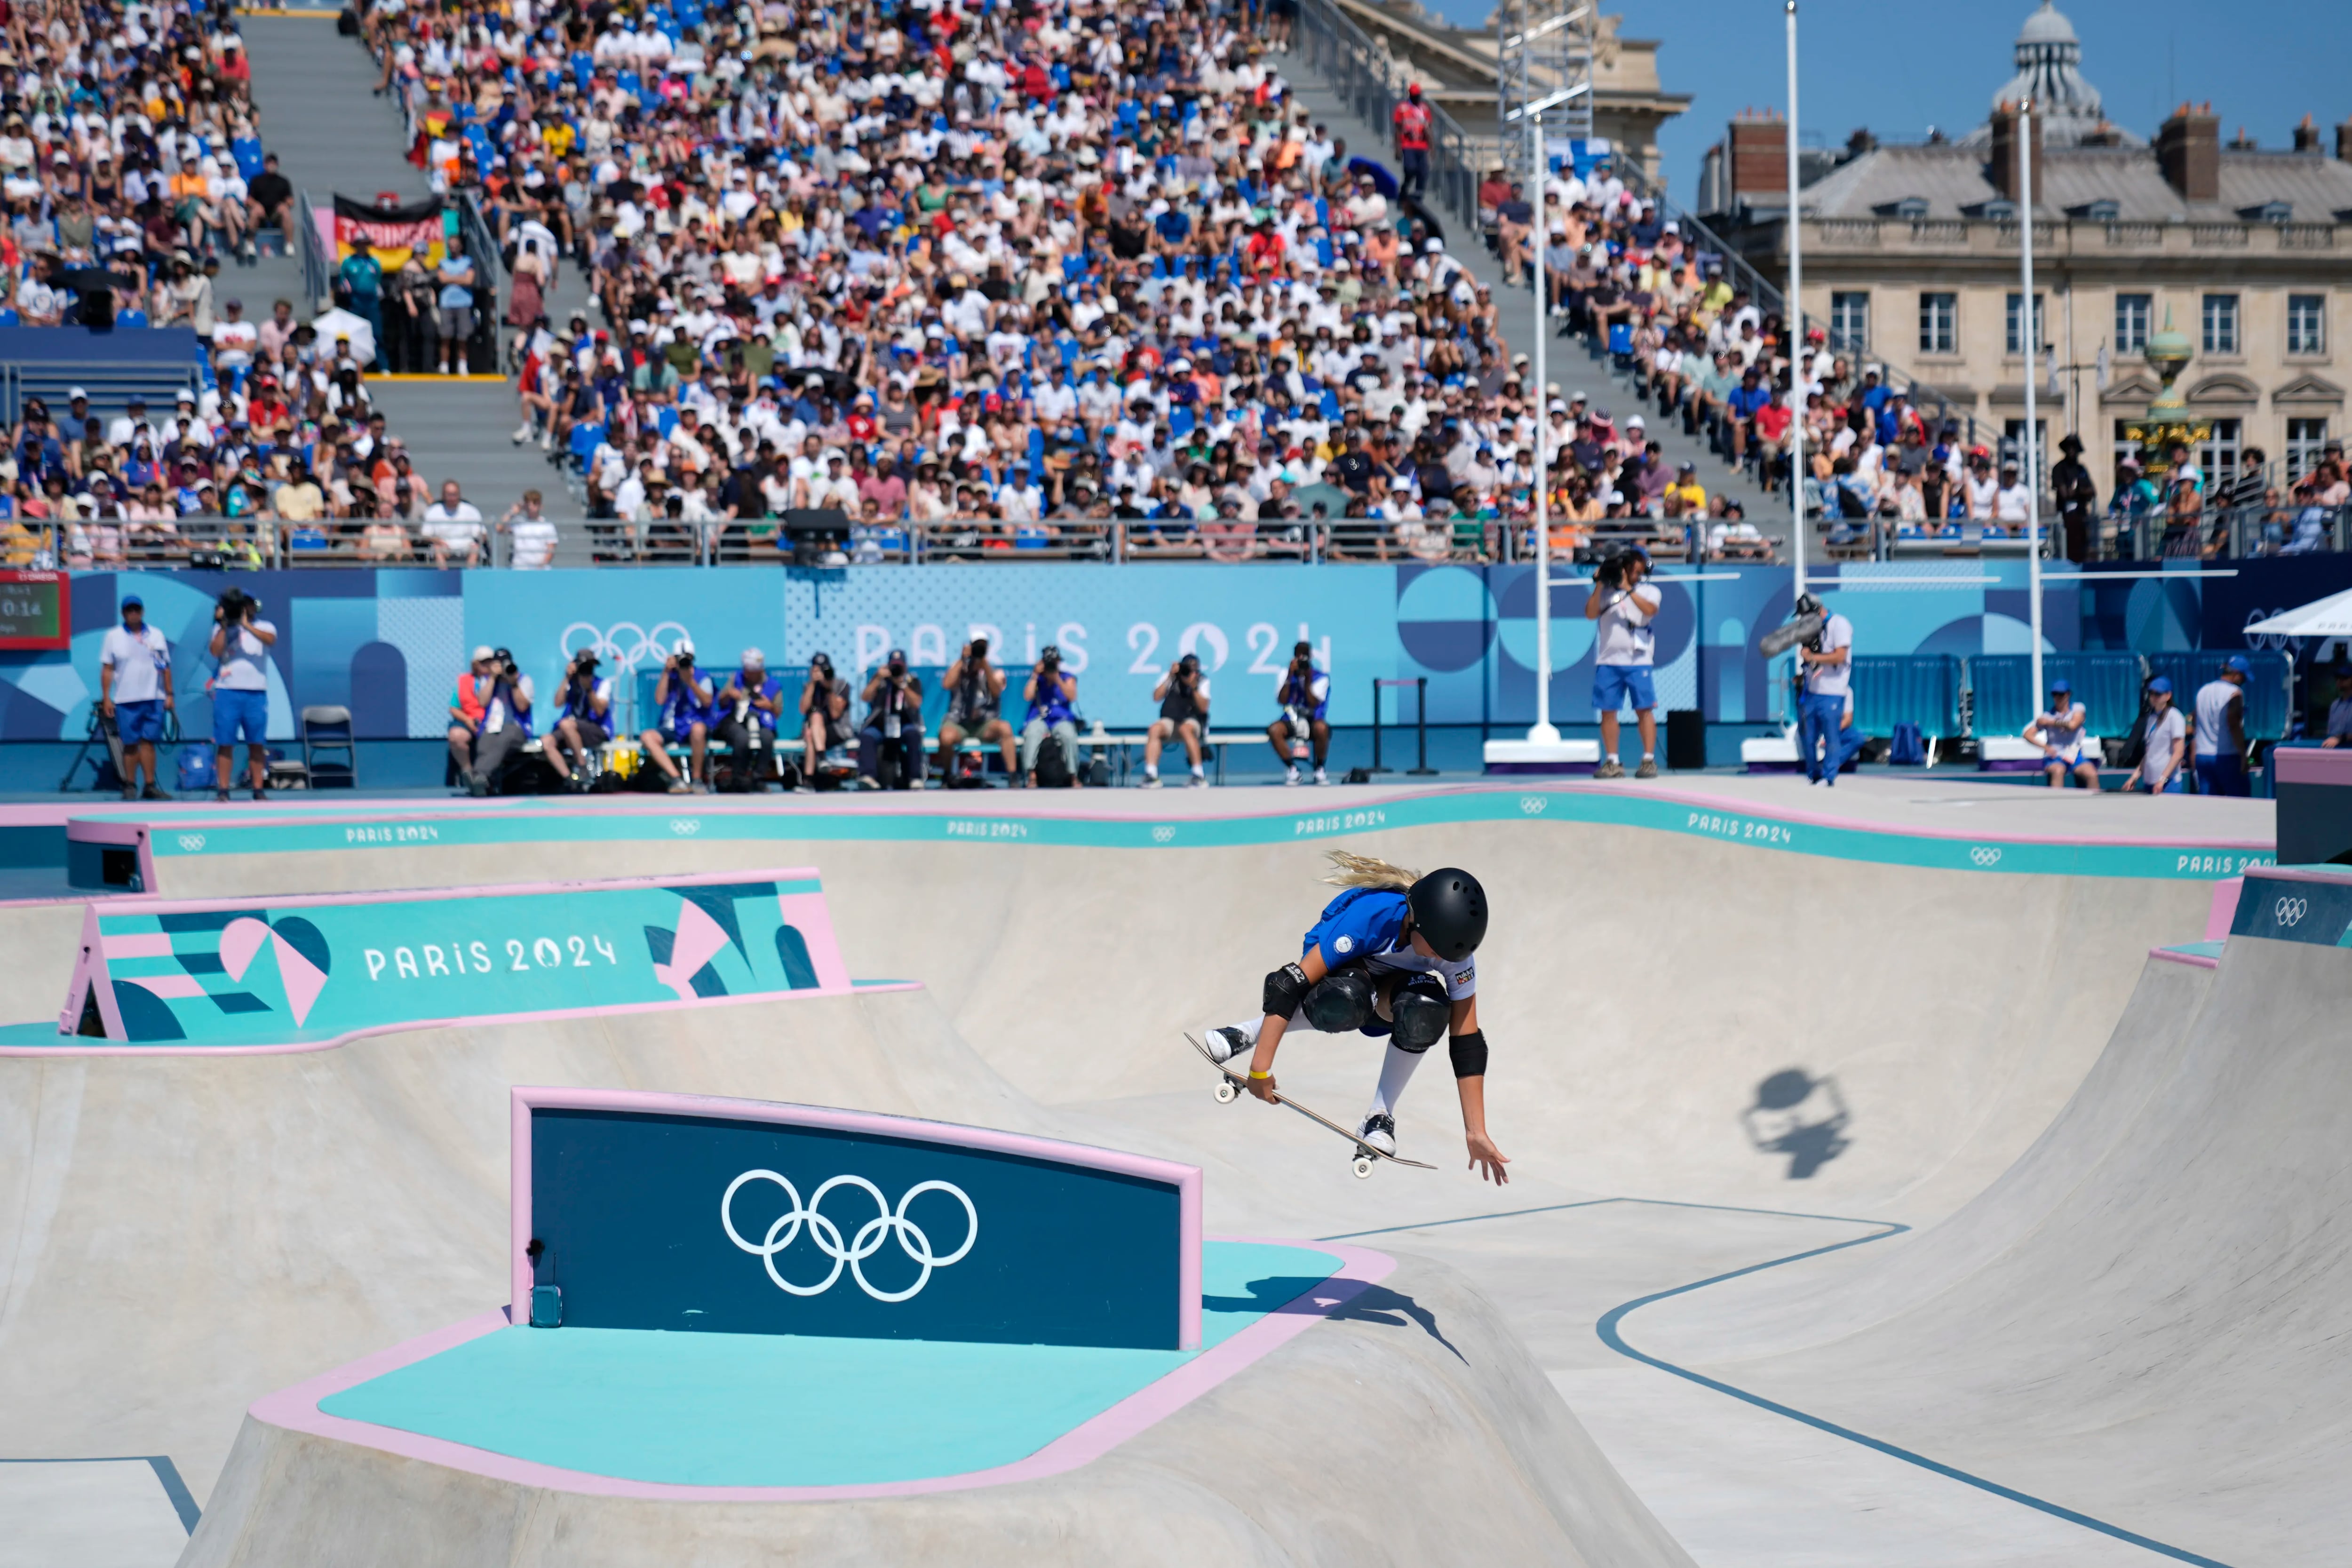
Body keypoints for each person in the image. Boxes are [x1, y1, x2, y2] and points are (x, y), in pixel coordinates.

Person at [1200, 852, 1507, 1180]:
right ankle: (1245, 1033)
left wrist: (1476, 1130)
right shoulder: (1371, 916)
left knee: (1426, 1010)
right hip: (1341, 978)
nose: (1440, 959)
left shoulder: (1452, 954)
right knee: (1347, 999)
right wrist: (1260, 1070)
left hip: (1390, 993)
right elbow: (1287, 985)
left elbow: (1467, 1042)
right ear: (1416, 921)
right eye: (1435, 950)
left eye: (1448, 956)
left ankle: (1380, 1115)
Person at [1585, 544, 1661, 779]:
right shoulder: (1607, 592)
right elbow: (1590, 613)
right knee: (1608, 711)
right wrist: (1600, 584)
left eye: (1639, 571)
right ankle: (1613, 760)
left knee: (1644, 710)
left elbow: (1650, 611)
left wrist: (1629, 589)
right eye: (1632, 570)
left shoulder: (1649, 591)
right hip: (1608, 660)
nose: (1636, 575)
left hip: (1638, 661)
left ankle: (1648, 760)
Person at [98, 594, 174, 800]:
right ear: (123, 613)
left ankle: (149, 786)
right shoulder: (113, 636)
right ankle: (130, 785)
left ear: (142, 612)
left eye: (137, 610)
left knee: (149, 742)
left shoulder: (156, 635)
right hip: (126, 699)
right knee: (130, 743)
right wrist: (107, 697)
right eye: (129, 610)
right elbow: (107, 669)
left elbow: (165, 667)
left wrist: (169, 694)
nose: (133, 614)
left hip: (153, 697)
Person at [207, 588, 278, 802]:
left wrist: (246, 625)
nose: (243, 608)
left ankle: (258, 789)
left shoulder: (265, 626)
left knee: (256, 743)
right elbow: (215, 651)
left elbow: (270, 640)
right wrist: (225, 625)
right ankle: (223, 790)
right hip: (228, 691)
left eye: (247, 604)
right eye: (239, 605)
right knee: (225, 742)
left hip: (256, 692)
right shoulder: (221, 629)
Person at [446, 644, 533, 796]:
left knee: (504, 738)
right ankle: (481, 780)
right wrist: (493, 678)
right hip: (493, 725)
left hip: (516, 727)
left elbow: (522, 706)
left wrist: (513, 683)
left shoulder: (523, 680)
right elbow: (483, 702)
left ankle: (480, 775)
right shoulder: (488, 680)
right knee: (485, 742)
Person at [1794, 591, 1857, 786]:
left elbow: (1840, 657)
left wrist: (1813, 657)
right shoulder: (1812, 630)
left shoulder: (1840, 624)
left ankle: (1829, 776)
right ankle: (1813, 774)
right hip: (1812, 690)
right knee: (1807, 736)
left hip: (1833, 692)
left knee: (1831, 737)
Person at [937, 638, 1018, 784]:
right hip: (959, 722)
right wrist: (963, 659)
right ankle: (947, 775)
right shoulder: (959, 667)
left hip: (984, 723)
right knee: (946, 737)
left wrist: (984, 666)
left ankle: (1013, 776)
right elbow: (947, 684)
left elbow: (996, 693)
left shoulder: (994, 671)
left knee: (1005, 728)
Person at [638, 641, 714, 794]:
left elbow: (707, 702)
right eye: (681, 659)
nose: (684, 663)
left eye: (688, 659)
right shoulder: (670, 676)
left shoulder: (702, 677)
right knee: (647, 737)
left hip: (693, 725)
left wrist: (690, 682)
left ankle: (697, 780)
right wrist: (666, 672)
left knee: (699, 730)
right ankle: (676, 779)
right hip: (672, 727)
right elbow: (659, 700)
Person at [713, 649, 786, 791]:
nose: (747, 674)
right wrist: (729, 694)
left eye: (751, 671)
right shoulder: (736, 678)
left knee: (767, 737)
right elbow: (721, 701)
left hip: (761, 722)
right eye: (746, 670)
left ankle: (758, 779)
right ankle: (739, 779)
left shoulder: (773, 686)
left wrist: (769, 706)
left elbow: (777, 713)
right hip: (735, 720)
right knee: (742, 738)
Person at [858, 648, 927, 789]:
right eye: (893, 666)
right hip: (881, 725)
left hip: (904, 724)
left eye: (899, 667)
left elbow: (916, 703)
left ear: (905, 667)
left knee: (913, 735)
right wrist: (877, 678)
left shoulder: (912, 681)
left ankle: (915, 778)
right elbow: (865, 697)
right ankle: (868, 776)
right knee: (867, 736)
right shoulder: (881, 681)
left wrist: (902, 685)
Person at [545, 649, 612, 790]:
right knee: (547, 742)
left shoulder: (602, 684)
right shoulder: (572, 683)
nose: (586, 671)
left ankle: (582, 767)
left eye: (589, 667)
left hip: (595, 729)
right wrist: (567, 678)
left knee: (566, 725)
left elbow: (600, 711)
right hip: (570, 728)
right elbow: (558, 703)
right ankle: (569, 779)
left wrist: (589, 690)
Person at [1142, 652, 1211, 788]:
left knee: (1186, 729)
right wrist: (1170, 676)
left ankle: (1198, 775)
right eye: (1187, 668)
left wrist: (1194, 687)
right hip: (1172, 721)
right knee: (1154, 729)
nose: (1189, 672)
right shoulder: (1171, 678)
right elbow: (1156, 697)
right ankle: (1151, 775)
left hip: (1192, 722)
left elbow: (1204, 708)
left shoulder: (1202, 681)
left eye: (1193, 669)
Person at [1268, 640, 1331, 787]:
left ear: (1311, 657)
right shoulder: (1285, 674)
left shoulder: (1321, 677)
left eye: (1305, 656)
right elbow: (1282, 700)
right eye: (1299, 656)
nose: (1302, 659)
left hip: (1313, 719)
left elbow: (1313, 703)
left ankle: (1320, 769)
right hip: (1291, 719)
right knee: (1274, 730)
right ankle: (1293, 769)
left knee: (1322, 729)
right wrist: (1290, 677)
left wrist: (1307, 680)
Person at [1020, 644, 1081, 787]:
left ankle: (1073, 775)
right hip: (1040, 718)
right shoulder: (1038, 679)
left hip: (1061, 719)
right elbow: (1027, 696)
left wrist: (1057, 679)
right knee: (1032, 734)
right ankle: (1031, 774)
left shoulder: (1067, 678)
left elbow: (1072, 697)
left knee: (1069, 735)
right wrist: (1035, 675)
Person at [2025, 677, 2099, 789]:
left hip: (2075, 754)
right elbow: (2028, 734)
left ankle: (2096, 804)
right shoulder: (2047, 715)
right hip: (2056, 756)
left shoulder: (2077, 708)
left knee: (2091, 774)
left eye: (2061, 694)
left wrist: (2051, 722)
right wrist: (2046, 747)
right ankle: (2057, 804)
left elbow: (2073, 725)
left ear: (2068, 694)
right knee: (2058, 771)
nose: (2058, 698)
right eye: (2055, 694)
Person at [2193, 655, 2251, 797]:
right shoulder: (2235, 693)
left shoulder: (2203, 691)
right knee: (2240, 803)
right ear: (2237, 675)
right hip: (2227, 757)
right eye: (2243, 678)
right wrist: (2244, 756)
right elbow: (2234, 724)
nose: (2243, 682)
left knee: (2209, 807)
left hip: (2202, 756)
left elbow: (2195, 721)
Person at [795, 651, 854, 789]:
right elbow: (803, 710)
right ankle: (818, 766)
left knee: (814, 724)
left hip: (837, 730)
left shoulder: (841, 685)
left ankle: (809, 780)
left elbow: (835, 714)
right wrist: (813, 685)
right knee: (812, 726)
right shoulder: (809, 687)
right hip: (816, 732)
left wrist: (829, 689)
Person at [2121, 676, 2186, 795]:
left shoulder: (2175, 717)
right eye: (2151, 693)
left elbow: (2179, 753)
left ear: (2168, 696)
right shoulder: (2151, 718)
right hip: (2150, 783)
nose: (2154, 697)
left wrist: (2162, 780)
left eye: (2158, 694)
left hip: (2168, 784)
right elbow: (2150, 753)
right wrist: (2134, 777)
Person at [2319, 666, 2352, 747]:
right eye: (2338, 678)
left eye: (2344, 678)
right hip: (2334, 751)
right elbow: (2330, 731)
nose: (2339, 681)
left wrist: (2340, 739)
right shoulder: (2335, 705)